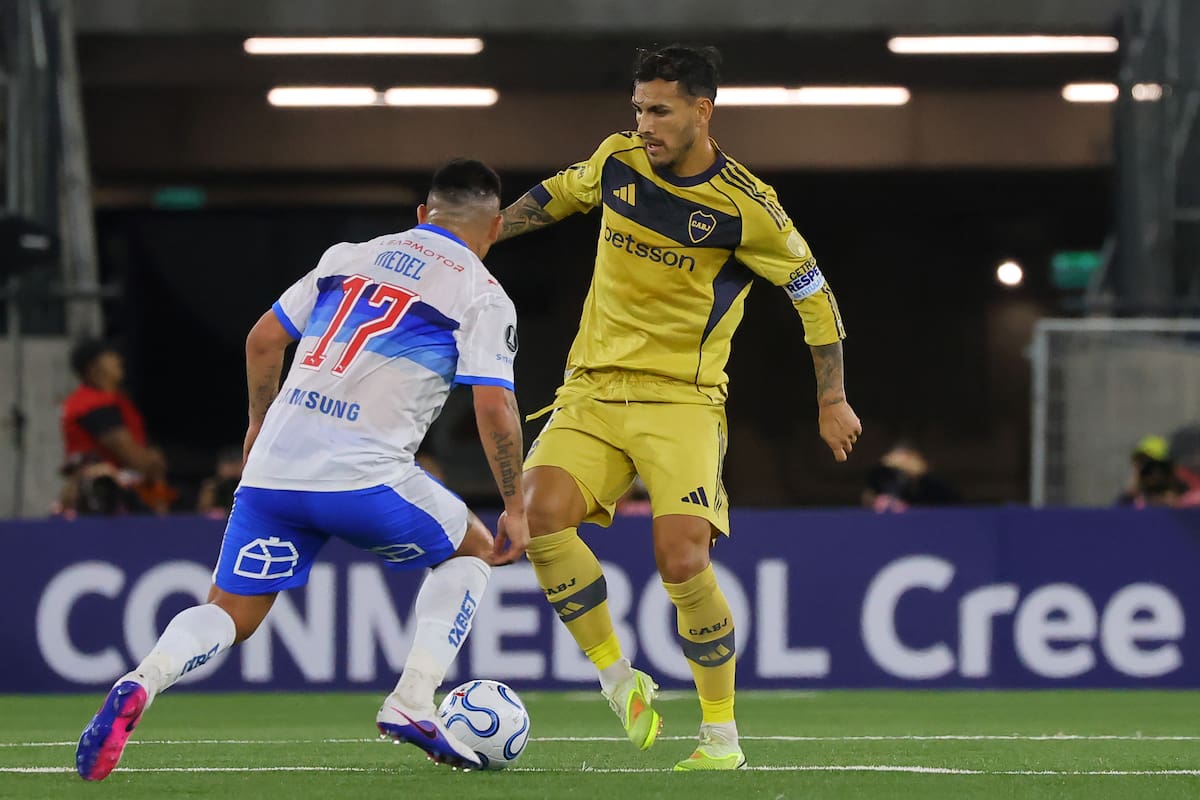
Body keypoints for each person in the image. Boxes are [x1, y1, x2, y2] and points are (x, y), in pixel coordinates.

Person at [76, 159, 529, 780]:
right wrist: (517, 504)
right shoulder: (481, 292)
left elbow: (263, 340)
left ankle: (142, 680)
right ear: (496, 228)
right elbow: (493, 405)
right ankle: (413, 700)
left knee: (230, 612)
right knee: (471, 550)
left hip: (273, 471)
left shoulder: (349, 256)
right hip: (366, 477)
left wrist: (259, 423)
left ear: (422, 215)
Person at [496, 44, 861, 771]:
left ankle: (720, 737)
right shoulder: (617, 161)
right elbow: (554, 197)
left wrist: (833, 399)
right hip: (592, 390)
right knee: (536, 517)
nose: (644, 124)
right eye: (637, 109)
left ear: (703, 111)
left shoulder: (749, 208)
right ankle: (615, 677)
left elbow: (813, 297)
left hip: (683, 401)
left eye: (659, 110)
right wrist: (479, 236)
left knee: (681, 556)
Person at [59, 339, 174, 515]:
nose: (119, 360)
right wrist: (152, 461)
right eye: (111, 356)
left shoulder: (119, 401)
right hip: (101, 498)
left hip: (138, 489)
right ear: (94, 367)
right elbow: (133, 457)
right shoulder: (89, 403)